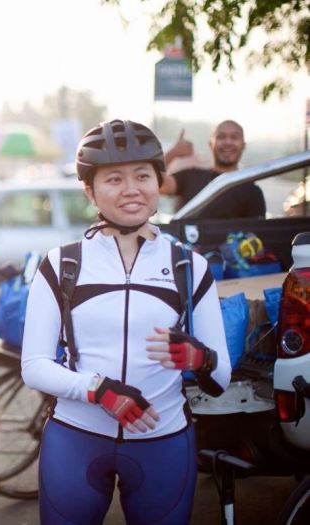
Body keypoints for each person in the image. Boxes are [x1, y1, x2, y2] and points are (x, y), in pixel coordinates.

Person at [21, 120, 232, 524]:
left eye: (142, 176)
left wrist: (200, 359)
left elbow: (220, 378)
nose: (131, 189)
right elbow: (33, 367)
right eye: (114, 179)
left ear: (159, 182)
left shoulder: (189, 266)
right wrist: (99, 390)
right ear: (90, 191)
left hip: (163, 440)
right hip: (75, 438)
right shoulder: (62, 264)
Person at [160, 120, 266, 218]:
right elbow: (159, 185)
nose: (228, 142)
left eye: (234, 137)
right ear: (211, 143)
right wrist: (172, 153)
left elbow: (256, 231)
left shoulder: (252, 192)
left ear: (243, 145)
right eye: (221, 137)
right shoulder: (190, 176)